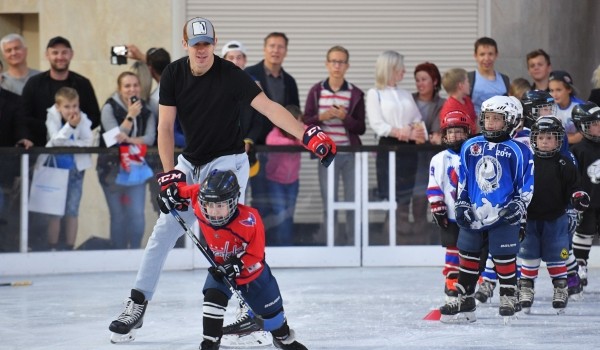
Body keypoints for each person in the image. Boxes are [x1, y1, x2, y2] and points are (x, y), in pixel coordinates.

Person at [108, 17, 335, 344]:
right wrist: (170, 174)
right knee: (163, 232)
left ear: (214, 44)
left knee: (230, 238)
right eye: (195, 44)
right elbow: (164, 128)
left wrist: (308, 136)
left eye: (207, 44)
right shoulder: (173, 74)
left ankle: (252, 307)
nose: (201, 50)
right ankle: (138, 303)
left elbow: (269, 108)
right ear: (185, 45)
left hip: (227, 161)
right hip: (190, 161)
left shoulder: (232, 75)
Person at [158, 169, 307, 349]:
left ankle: (282, 338)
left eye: (220, 205)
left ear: (234, 201)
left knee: (276, 324)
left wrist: (236, 265)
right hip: (219, 269)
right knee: (212, 298)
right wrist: (169, 195)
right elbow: (184, 192)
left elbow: (256, 254)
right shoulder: (200, 199)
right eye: (209, 205)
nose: (213, 212)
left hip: (253, 275)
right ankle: (210, 343)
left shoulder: (250, 220)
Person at [439, 95, 533, 323]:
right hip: (474, 213)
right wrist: (461, 202)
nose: (490, 123)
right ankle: (465, 298)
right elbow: (464, 179)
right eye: (487, 118)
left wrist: (518, 206)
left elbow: (527, 183)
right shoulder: (471, 145)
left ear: (510, 121)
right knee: (467, 256)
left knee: (504, 257)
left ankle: (508, 296)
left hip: (504, 214)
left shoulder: (519, 150)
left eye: (496, 119)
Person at [517, 116, 588, 313]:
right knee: (529, 256)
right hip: (530, 220)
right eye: (541, 138)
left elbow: (575, 188)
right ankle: (526, 289)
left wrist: (575, 204)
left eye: (550, 137)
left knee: (560, 254)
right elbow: (517, 187)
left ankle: (561, 288)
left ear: (558, 140)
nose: (545, 142)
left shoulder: (565, 163)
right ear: (534, 140)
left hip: (557, 219)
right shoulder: (526, 162)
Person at [303, 45, 366, 246]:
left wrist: (344, 117)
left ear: (347, 66)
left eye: (341, 62)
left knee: (351, 199)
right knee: (328, 200)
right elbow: (305, 122)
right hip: (326, 154)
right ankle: (331, 242)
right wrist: (322, 117)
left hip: (349, 153)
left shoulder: (355, 93)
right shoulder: (316, 91)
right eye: (333, 61)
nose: (337, 66)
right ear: (327, 64)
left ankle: (353, 242)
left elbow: (361, 128)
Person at [366, 50, 425, 244]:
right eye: (400, 68)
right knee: (391, 191)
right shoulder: (375, 94)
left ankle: (405, 236)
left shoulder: (405, 93)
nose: (404, 71)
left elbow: (417, 118)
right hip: (389, 147)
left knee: (407, 191)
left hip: (409, 150)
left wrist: (417, 130)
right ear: (390, 69)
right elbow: (377, 124)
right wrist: (401, 132)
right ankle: (390, 235)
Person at [244, 32, 300, 225]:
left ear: (286, 51)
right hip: (256, 148)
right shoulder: (250, 74)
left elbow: (294, 114)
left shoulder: (290, 81)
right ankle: (259, 245)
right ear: (264, 48)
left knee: (281, 204)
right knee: (259, 199)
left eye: (280, 46)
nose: (276, 50)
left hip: (281, 153)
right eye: (272, 46)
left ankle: (279, 246)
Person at [98, 71, 156, 249]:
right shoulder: (109, 107)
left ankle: (136, 250)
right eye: (127, 86)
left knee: (137, 213)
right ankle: (119, 252)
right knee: (118, 215)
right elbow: (112, 139)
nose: (132, 90)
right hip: (111, 169)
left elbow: (150, 138)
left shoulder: (146, 110)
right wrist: (130, 116)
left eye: (135, 85)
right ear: (119, 89)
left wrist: (129, 140)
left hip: (135, 168)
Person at [20, 36, 101, 146]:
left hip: (76, 149)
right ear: (47, 55)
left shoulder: (83, 83)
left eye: (64, 52)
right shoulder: (34, 83)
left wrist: (76, 126)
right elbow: (24, 116)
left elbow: (94, 116)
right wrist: (52, 127)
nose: (60, 57)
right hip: (40, 146)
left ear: (71, 54)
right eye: (55, 53)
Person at [426, 110, 472, 300]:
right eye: (450, 131)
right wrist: (437, 207)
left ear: (467, 133)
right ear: (444, 135)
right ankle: (452, 279)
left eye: (459, 131)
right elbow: (434, 185)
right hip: (451, 214)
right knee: (453, 247)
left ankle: (471, 279)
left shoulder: (474, 154)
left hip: (473, 215)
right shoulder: (439, 159)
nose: (455, 135)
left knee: (472, 249)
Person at [41, 87, 93, 251]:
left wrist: (69, 142)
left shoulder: (83, 118)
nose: (72, 110)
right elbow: (55, 141)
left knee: (72, 209)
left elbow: (88, 142)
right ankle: (52, 248)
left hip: (76, 171)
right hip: (55, 170)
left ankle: (69, 248)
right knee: (54, 212)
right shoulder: (52, 116)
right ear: (58, 107)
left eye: (75, 106)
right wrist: (70, 126)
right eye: (67, 106)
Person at [411, 62, 445, 244]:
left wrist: (425, 135)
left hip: (431, 158)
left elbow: (437, 132)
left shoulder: (441, 103)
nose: (420, 84)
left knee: (430, 198)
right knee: (412, 200)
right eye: (417, 80)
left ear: (434, 81)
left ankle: (429, 240)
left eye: (424, 79)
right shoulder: (409, 100)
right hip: (410, 158)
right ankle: (415, 238)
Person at [570, 102, 600, 291]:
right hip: (587, 203)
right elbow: (574, 179)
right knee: (584, 233)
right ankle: (580, 266)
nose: (599, 127)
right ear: (582, 126)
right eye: (594, 124)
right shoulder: (578, 150)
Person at [264, 105, 304, 246]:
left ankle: (286, 245)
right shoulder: (276, 132)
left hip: (293, 181)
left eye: (300, 121)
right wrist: (293, 142)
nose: (298, 125)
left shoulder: (300, 131)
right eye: (296, 121)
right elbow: (271, 141)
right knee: (280, 213)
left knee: (288, 214)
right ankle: (284, 247)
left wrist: (299, 139)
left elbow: (307, 139)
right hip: (276, 181)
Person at [468, 37, 510, 115]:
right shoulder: (469, 79)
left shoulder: (505, 80)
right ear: (475, 56)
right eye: (482, 54)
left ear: (496, 55)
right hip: (476, 125)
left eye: (490, 54)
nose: (486, 58)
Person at [549, 70, 584, 144]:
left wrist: (558, 138)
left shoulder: (580, 107)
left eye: (558, 90)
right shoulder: (549, 108)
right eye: (551, 90)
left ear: (569, 89)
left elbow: (581, 136)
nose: (554, 94)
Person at [439, 68, 477, 134]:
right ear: (460, 85)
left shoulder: (467, 100)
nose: (469, 84)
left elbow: (474, 121)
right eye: (467, 81)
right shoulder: (449, 109)